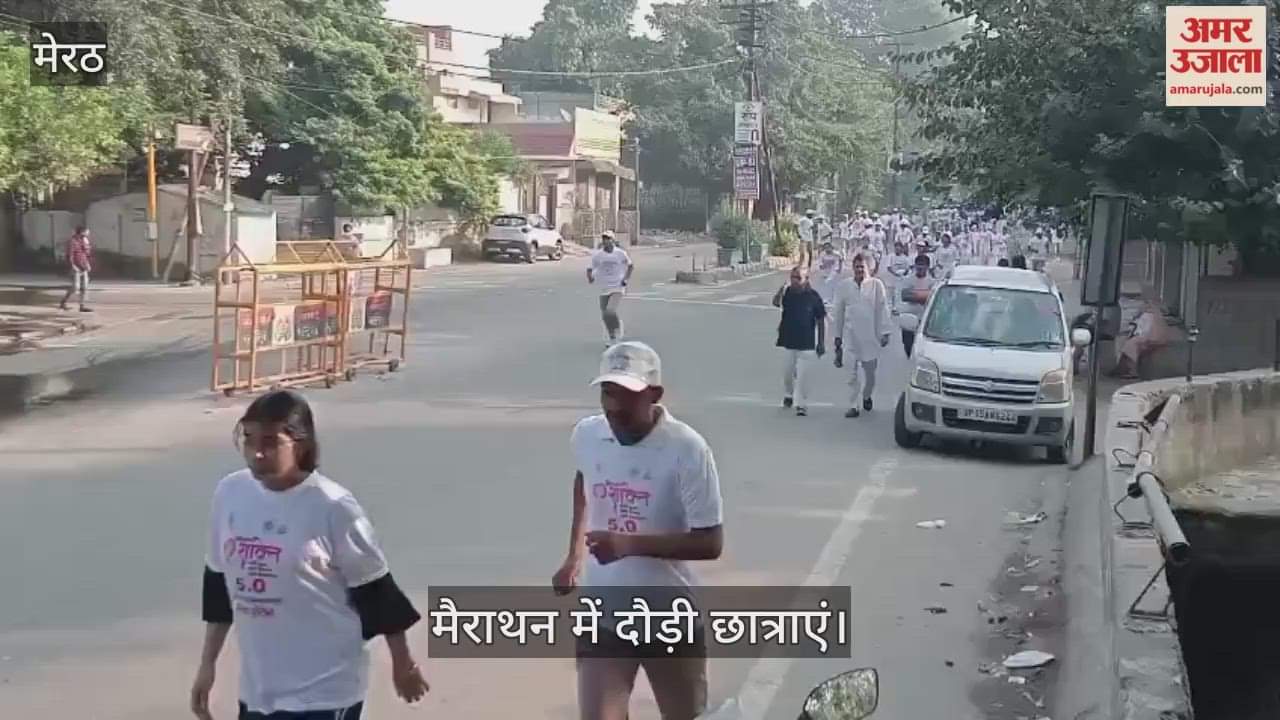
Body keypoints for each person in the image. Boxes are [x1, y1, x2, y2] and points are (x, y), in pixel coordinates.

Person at [192, 390, 429, 720]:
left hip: (325, 691)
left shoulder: (333, 507)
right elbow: (219, 586)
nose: (257, 453)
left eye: (271, 442)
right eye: (248, 439)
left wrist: (402, 663)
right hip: (260, 690)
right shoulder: (231, 494)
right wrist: (207, 666)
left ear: (300, 444)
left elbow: (376, 590)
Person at [553, 341, 724, 720]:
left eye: (626, 395)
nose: (614, 406)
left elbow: (711, 541)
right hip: (604, 614)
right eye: (607, 392)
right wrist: (574, 557)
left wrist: (629, 544)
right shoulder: (587, 436)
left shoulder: (687, 449)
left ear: (655, 394)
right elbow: (585, 481)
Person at [832, 254, 891, 418]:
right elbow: (838, 313)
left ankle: (866, 396)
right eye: (857, 266)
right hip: (850, 338)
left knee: (870, 376)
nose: (859, 270)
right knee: (851, 375)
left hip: (871, 339)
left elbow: (883, 309)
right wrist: (837, 338)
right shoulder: (844, 286)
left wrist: (885, 332)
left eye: (862, 267)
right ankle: (853, 405)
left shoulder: (876, 285)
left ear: (869, 268)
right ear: (853, 268)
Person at [772, 267, 828, 416]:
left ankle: (801, 404)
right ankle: (788, 394)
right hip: (788, 340)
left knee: (803, 376)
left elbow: (821, 319)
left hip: (806, 343)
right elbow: (776, 303)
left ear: (806, 279)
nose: (795, 281)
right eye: (793, 277)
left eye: (798, 278)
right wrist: (780, 289)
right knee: (787, 373)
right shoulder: (787, 292)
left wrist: (821, 342)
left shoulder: (813, 297)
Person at [588, 231, 634, 347]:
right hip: (604, 287)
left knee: (610, 311)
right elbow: (590, 268)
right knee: (605, 315)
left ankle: (618, 328)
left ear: (613, 240)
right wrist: (590, 277)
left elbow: (630, 266)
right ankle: (612, 336)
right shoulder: (598, 255)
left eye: (608, 238)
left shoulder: (620, 253)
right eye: (603, 238)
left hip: (617, 286)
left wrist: (626, 279)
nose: (605, 241)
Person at [1112, 299, 1170, 380]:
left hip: (1150, 338)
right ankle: (1122, 369)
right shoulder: (1155, 315)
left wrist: (1134, 334)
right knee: (1132, 346)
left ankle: (1131, 371)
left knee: (1130, 345)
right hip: (1156, 338)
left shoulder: (1147, 316)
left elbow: (1143, 330)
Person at [899, 254, 937, 357]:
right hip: (909, 316)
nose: (920, 268)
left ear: (927, 267)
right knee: (908, 345)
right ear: (915, 266)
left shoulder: (933, 282)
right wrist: (924, 295)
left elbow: (932, 298)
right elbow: (905, 295)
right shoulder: (907, 279)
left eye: (923, 265)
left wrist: (915, 294)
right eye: (918, 265)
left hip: (924, 317)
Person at [59, 226, 93, 313]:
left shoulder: (84, 240)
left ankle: (82, 306)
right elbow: (69, 255)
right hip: (76, 267)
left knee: (84, 287)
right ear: (82, 232)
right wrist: (72, 265)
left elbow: (86, 253)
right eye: (86, 232)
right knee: (75, 287)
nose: (88, 234)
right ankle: (63, 302)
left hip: (83, 266)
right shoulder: (72, 241)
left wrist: (87, 263)